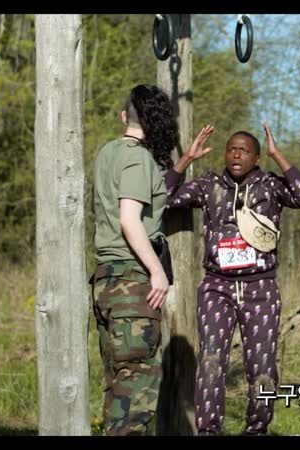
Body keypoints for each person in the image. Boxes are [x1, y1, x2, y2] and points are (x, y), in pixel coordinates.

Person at [164, 121, 300, 436]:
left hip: (260, 287)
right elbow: (164, 196)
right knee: (210, 362)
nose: (236, 155)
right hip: (216, 287)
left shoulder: (271, 185)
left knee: (262, 368)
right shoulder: (209, 185)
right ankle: (209, 431)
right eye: (231, 149)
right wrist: (187, 159)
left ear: (256, 158)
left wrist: (278, 156)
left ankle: (256, 429)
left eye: (244, 151)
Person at [90, 84, 178, 435]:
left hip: (105, 281)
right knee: (135, 398)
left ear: (124, 116)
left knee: (118, 390)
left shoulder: (107, 153)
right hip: (131, 282)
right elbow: (129, 219)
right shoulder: (138, 158)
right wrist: (157, 270)